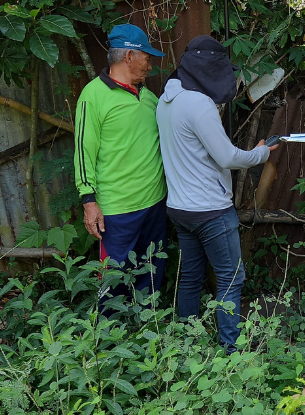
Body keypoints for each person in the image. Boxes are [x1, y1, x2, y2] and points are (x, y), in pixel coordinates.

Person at [156, 35, 277, 353]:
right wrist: (261, 154)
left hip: (180, 208)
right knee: (231, 278)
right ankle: (230, 350)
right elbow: (227, 157)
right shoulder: (199, 104)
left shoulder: (166, 99)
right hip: (210, 210)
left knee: (191, 278)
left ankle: (186, 343)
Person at [74, 23, 168, 306]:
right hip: (117, 211)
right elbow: (82, 152)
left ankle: (147, 331)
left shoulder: (149, 97)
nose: (150, 66)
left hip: (154, 204)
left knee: (151, 273)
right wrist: (89, 201)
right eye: (146, 58)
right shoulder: (93, 96)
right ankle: (111, 342)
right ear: (129, 57)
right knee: (113, 281)